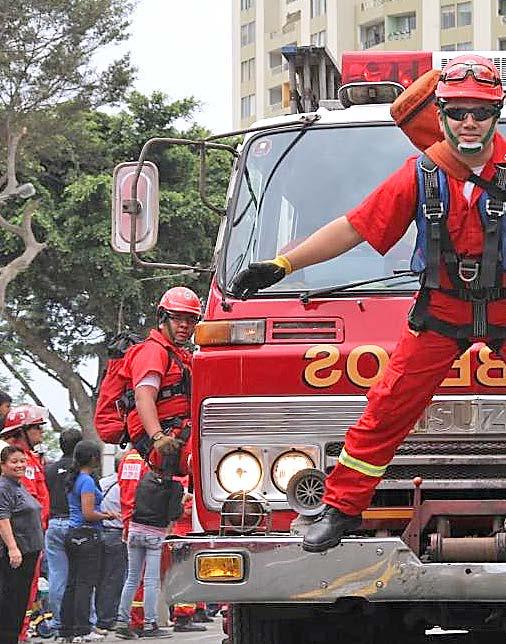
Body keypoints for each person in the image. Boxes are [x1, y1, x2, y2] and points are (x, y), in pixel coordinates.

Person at [231, 54, 506, 553]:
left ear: (496, 115)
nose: (470, 122)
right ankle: (339, 509)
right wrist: (282, 266)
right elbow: (353, 228)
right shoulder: (421, 174)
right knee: (385, 408)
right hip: (442, 310)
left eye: (481, 112)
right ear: (441, 114)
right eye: (458, 111)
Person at [120, 286, 201, 477]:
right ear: (163, 318)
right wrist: (157, 436)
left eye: (191, 320)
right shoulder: (153, 351)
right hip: (164, 440)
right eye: (177, 318)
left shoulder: (181, 356)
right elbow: (143, 397)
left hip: (180, 434)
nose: (184, 325)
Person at [0, 404, 51, 640]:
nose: (41, 432)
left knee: (26, 593)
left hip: (32, 539)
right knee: (18, 595)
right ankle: (17, 634)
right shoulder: (19, 463)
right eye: (37, 428)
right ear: (22, 431)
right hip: (22, 543)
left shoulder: (30, 460)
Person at [59, 440, 117, 642]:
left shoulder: (74, 478)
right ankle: (83, 628)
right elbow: (88, 513)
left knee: (72, 583)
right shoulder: (87, 481)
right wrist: (107, 515)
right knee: (85, 584)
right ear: (93, 458)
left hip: (73, 534)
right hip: (87, 535)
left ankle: (67, 628)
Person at [115, 470, 183, 639]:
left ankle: (122, 621)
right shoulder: (175, 486)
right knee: (151, 581)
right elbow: (175, 514)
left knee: (132, 579)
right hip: (155, 533)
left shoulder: (145, 479)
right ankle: (150, 623)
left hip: (134, 530)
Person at [45, 428, 83, 638]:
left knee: (57, 576)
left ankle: (59, 622)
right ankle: (82, 622)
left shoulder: (49, 470)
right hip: (76, 524)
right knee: (81, 577)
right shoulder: (82, 471)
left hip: (53, 523)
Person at [117, 447, 150, 632]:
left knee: (137, 576)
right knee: (140, 576)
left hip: (136, 521)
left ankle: (133, 620)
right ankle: (136, 621)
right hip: (141, 522)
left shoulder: (129, 458)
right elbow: (130, 495)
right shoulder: (138, 459)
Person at [94, 454, 127, 635]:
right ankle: (108, 618)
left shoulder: (103, 482)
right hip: (116, 534)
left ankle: (99, 616)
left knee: (101, 577)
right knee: (114, 578)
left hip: (100, 531)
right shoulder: (124, 485)